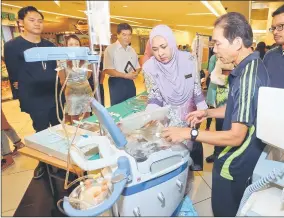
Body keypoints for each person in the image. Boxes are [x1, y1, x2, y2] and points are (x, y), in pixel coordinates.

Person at [161, 12, 269, 216]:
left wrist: (188, 134)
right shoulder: (250, 66)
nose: (214, 49)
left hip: (235, 162)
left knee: (224, 210)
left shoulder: (247, 77)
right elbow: (239, 108)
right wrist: (207, 112)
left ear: (237, 42)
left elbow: (236, 136)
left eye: (218, 43)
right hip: (240, 157)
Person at [4, 6, 63, 179]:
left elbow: (55, 69)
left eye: (40, 20)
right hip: (34, 96)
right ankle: (44, 163)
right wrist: (22, 97)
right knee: (41, 130)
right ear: (21, 22)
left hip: (54, 93)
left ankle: (60, 159)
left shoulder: (49, 45)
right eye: (32, 20)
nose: (37, 24)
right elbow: (14, 74)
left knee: (59, 129)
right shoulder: (12, 46)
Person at [143, 25, 208, 171]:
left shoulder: (189, 59)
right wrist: (150, 114)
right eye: (155, 49)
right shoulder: (149, 67)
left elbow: (196, 87)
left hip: (189, 117)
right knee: (173, 161)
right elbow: (154, 96)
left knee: (189, 158)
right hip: (168, 120)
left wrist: (203, 110)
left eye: (163, 47)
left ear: (171, 43)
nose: (160, 53)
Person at [57, 35, 93, 123]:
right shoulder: (62, 60)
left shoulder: (85, 58)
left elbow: (88, 75)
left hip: (86, 89)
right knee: (74, 116)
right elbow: (62, 80)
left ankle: (87, 132)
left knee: (87, 114)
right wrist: (69, 89)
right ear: (66, 46)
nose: (74, 46)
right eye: (71, 44)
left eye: (77, 44)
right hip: (71, 91)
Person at [103, 23, 141, 106]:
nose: (127, 38)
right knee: (118, 107)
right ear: (118, 35)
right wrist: (124, 75)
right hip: (116, 83)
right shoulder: (110, 49)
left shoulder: (132, 50)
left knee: (132, 105)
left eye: (129, 35)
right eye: (124, 35)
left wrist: (136, 73)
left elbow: (137, 66)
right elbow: (107, 69)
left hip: (130, 82)